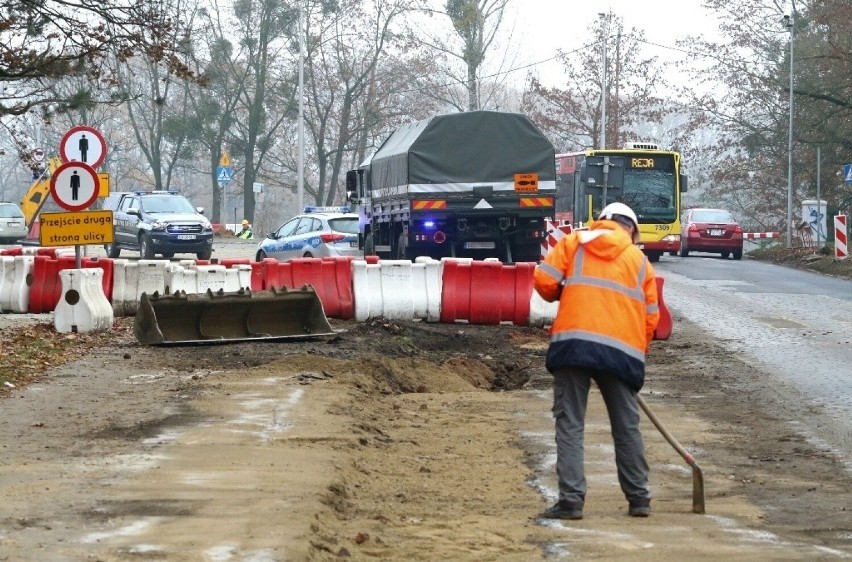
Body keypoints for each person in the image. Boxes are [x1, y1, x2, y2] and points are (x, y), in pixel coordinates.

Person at [533, 202, 660, 520]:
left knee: (570, 422)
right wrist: (636, 355)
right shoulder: (640, 262)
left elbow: (544, 282)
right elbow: (651, 318)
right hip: (621, 352)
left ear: (601, 221)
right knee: (626, 426)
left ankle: (571, 501)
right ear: (631, 230)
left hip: (574, 345)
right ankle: (639, 498)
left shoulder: (574, 243)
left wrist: (564, 291)